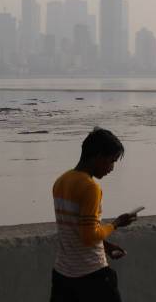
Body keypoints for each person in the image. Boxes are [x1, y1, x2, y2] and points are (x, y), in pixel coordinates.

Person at [50, 127, 136, 302]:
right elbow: (89, 236)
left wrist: (105, 245)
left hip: (63, 275)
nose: (111, 168)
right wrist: (116, 224)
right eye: (111, 161)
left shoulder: (61, 181)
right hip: (92, 275)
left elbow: (76, 229)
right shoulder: (91, 188)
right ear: (98, 156)